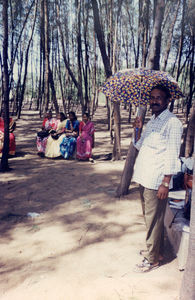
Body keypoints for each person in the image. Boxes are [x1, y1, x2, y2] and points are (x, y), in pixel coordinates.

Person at [132, 85, 183, 273]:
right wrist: (137, 129)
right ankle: (157, 252)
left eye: (159, 97)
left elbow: (171, 155)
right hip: (144, 176)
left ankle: (152, 259)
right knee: (150, 218)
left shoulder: (172, 123)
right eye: (152, 97)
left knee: (153, 220)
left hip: (156, 181)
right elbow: (138, 145)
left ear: (167, 100)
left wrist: (166, 182)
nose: (154, 101)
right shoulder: (153, 120)